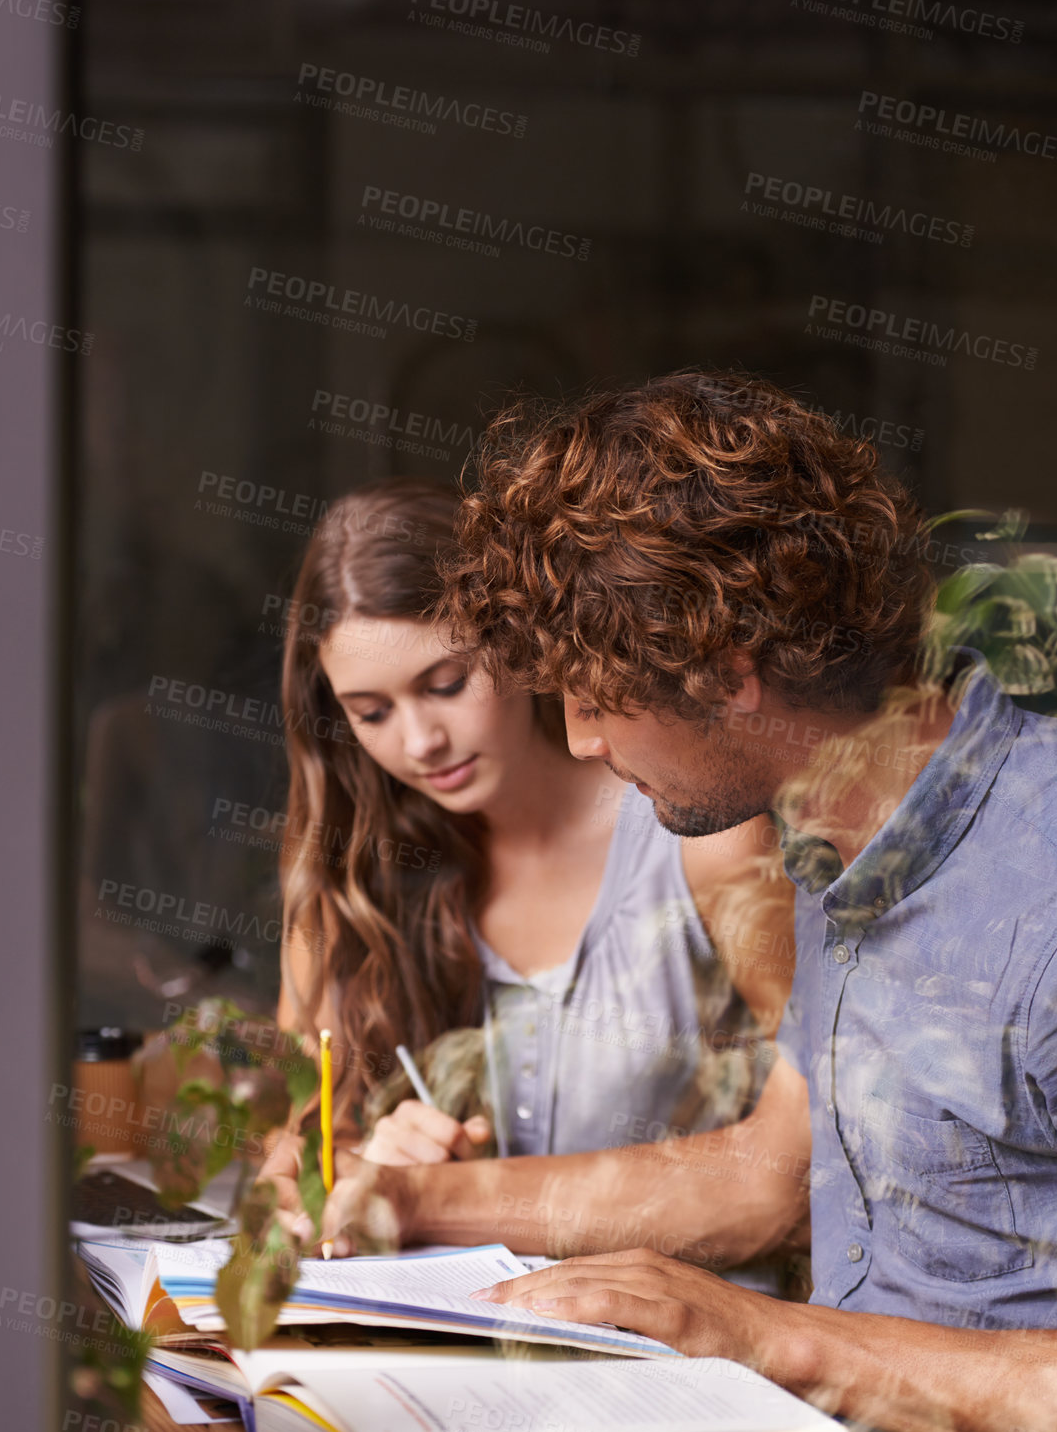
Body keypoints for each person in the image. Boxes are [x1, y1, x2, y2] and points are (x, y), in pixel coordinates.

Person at [298, 377, 1057, 1432]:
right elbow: (762, 1175)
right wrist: (412, 1204)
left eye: (594, 694)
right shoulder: (849, 832)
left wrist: (760, 1334)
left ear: (731, 671)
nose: (578, 738)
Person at [264, 475, 792, 1183]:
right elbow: (296, 1159)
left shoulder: (705, 838)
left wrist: (456, 1199)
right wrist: (371, 1164)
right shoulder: (349, 883)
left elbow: (820, 1150)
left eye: (445, 685)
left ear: (516, 642)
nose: (420, 742)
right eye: (371, 712)